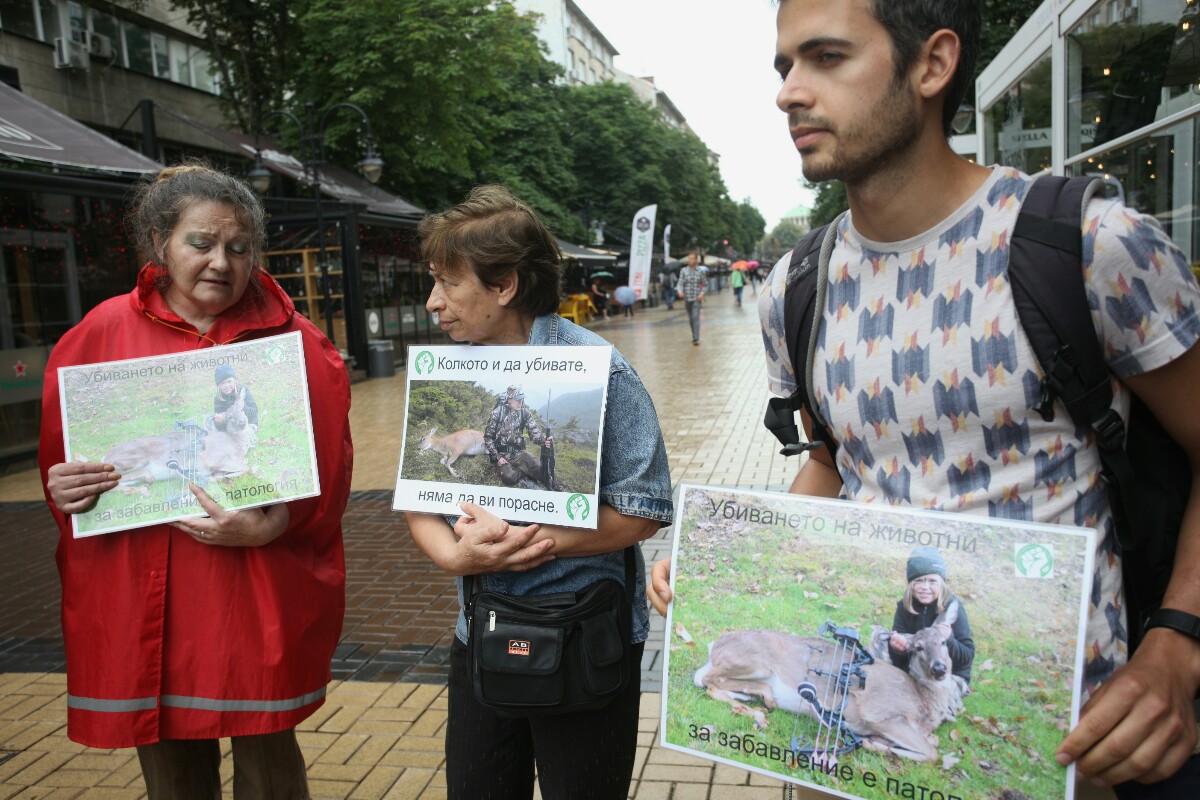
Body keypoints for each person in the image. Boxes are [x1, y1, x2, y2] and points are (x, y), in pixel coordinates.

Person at [651, 1, 1200, 794]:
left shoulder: (1086, 245)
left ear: (932, 64)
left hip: (1077, 755)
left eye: (826, 58)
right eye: (783, 66)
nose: (788, 93)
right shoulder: (797, 289)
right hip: (865, 758)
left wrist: (1177, 644)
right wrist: (711, 560)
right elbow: (838, 464)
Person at [39, 163, 353, 799]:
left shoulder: (297, 341)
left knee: (269, 768)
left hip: (255, 586)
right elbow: (63, 466)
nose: (221, 263)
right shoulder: (98, 334)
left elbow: (332, 473)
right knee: (173, 770)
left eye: (239, 249)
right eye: (201, 243)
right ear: (160, 244)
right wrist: (63, 489)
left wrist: (278, 521)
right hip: (144, 589)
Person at [407, 184, 673, 800]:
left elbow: (642, 511)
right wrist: (456, 556)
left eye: (448, 283)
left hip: (586, 638)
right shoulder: (448, 368)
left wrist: (527, 542)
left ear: (505, 286)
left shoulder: (602, 368)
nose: (432, 302)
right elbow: (419, 499)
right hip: (481, 631)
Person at [889, 546, 974, 684]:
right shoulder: (904, 607)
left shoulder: (952, 608)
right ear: (910, 584)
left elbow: (967, 656)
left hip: (949, 676)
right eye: (919, 581)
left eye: (932, 581)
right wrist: (898, 649)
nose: (925, 587)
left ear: (942, 583)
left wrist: (949, 640)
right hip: (917, 673)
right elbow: (899, 661)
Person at [485, 384, 554, 489]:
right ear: (509, 399)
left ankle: (555, 487)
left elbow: (534, 432)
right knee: (509, 478)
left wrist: (543, 440)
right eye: (518, 400)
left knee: (545, 474)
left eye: (522, 399)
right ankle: (527, 470)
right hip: (502, 455)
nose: (520, 403)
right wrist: (497, 458)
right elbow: (488, 437)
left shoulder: (525, 412)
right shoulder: (497, 413)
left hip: (519, 453)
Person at [212, 363, 259, 434]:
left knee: (243, 435)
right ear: (218, 386)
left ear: (234, 380)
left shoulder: (243, 390)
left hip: (248, 425)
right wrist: (218, 422)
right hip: (231, 429)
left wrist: (243, 406)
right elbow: (220, 427)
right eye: (223, 383)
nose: (226, 385)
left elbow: (254, 411)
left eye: (229, 381)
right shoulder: (218, 399)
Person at [677, 252, 705, 345]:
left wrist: (701, 294)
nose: (690, 260)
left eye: (692, 259)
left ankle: (696, 338)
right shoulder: (683, 271)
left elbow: (705, 285)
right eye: (689, 259)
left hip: (697, 299)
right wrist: (680, 291)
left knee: (695, 317)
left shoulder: (700, 271)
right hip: (687, 298)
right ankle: (694, 334)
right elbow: (680, 283)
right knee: (691, 319)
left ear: (696, 260)